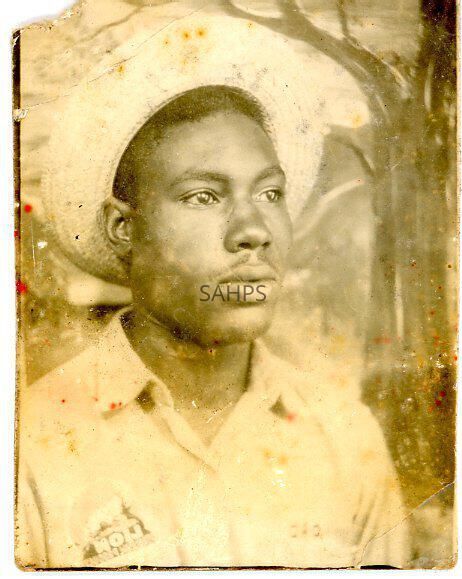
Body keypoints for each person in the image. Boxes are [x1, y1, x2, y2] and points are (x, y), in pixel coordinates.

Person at [16, 14, 409, 570]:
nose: (253, 231)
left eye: (269, 193)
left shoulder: (346, 439)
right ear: (124, 228)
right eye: (204, 196)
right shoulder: (31, 446)